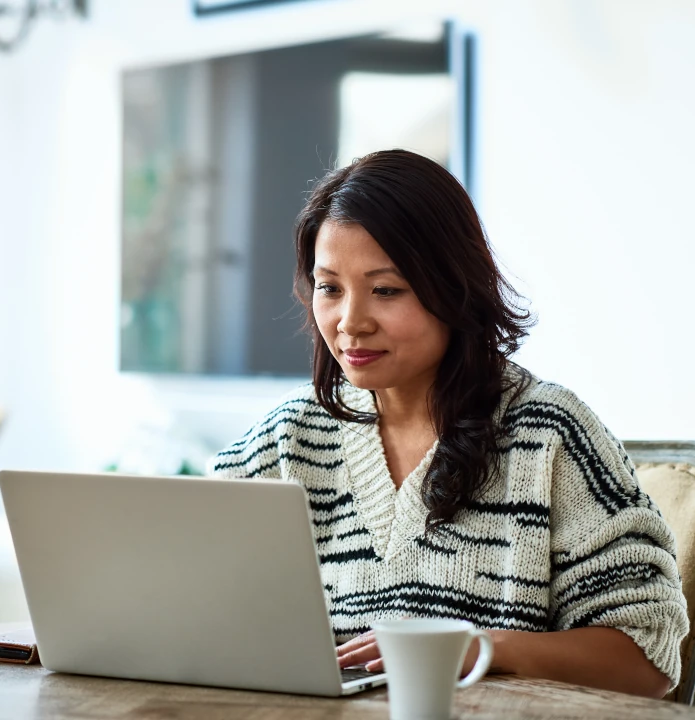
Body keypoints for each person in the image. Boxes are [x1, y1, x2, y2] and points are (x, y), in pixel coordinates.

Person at [207, 149, 687, 698]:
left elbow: (647, 659)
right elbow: (190, 603)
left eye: (386, 290)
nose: (350, 322)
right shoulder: (286, 438)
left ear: (453, 287)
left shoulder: (550, 434)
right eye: (329, 287)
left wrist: (478, 648)